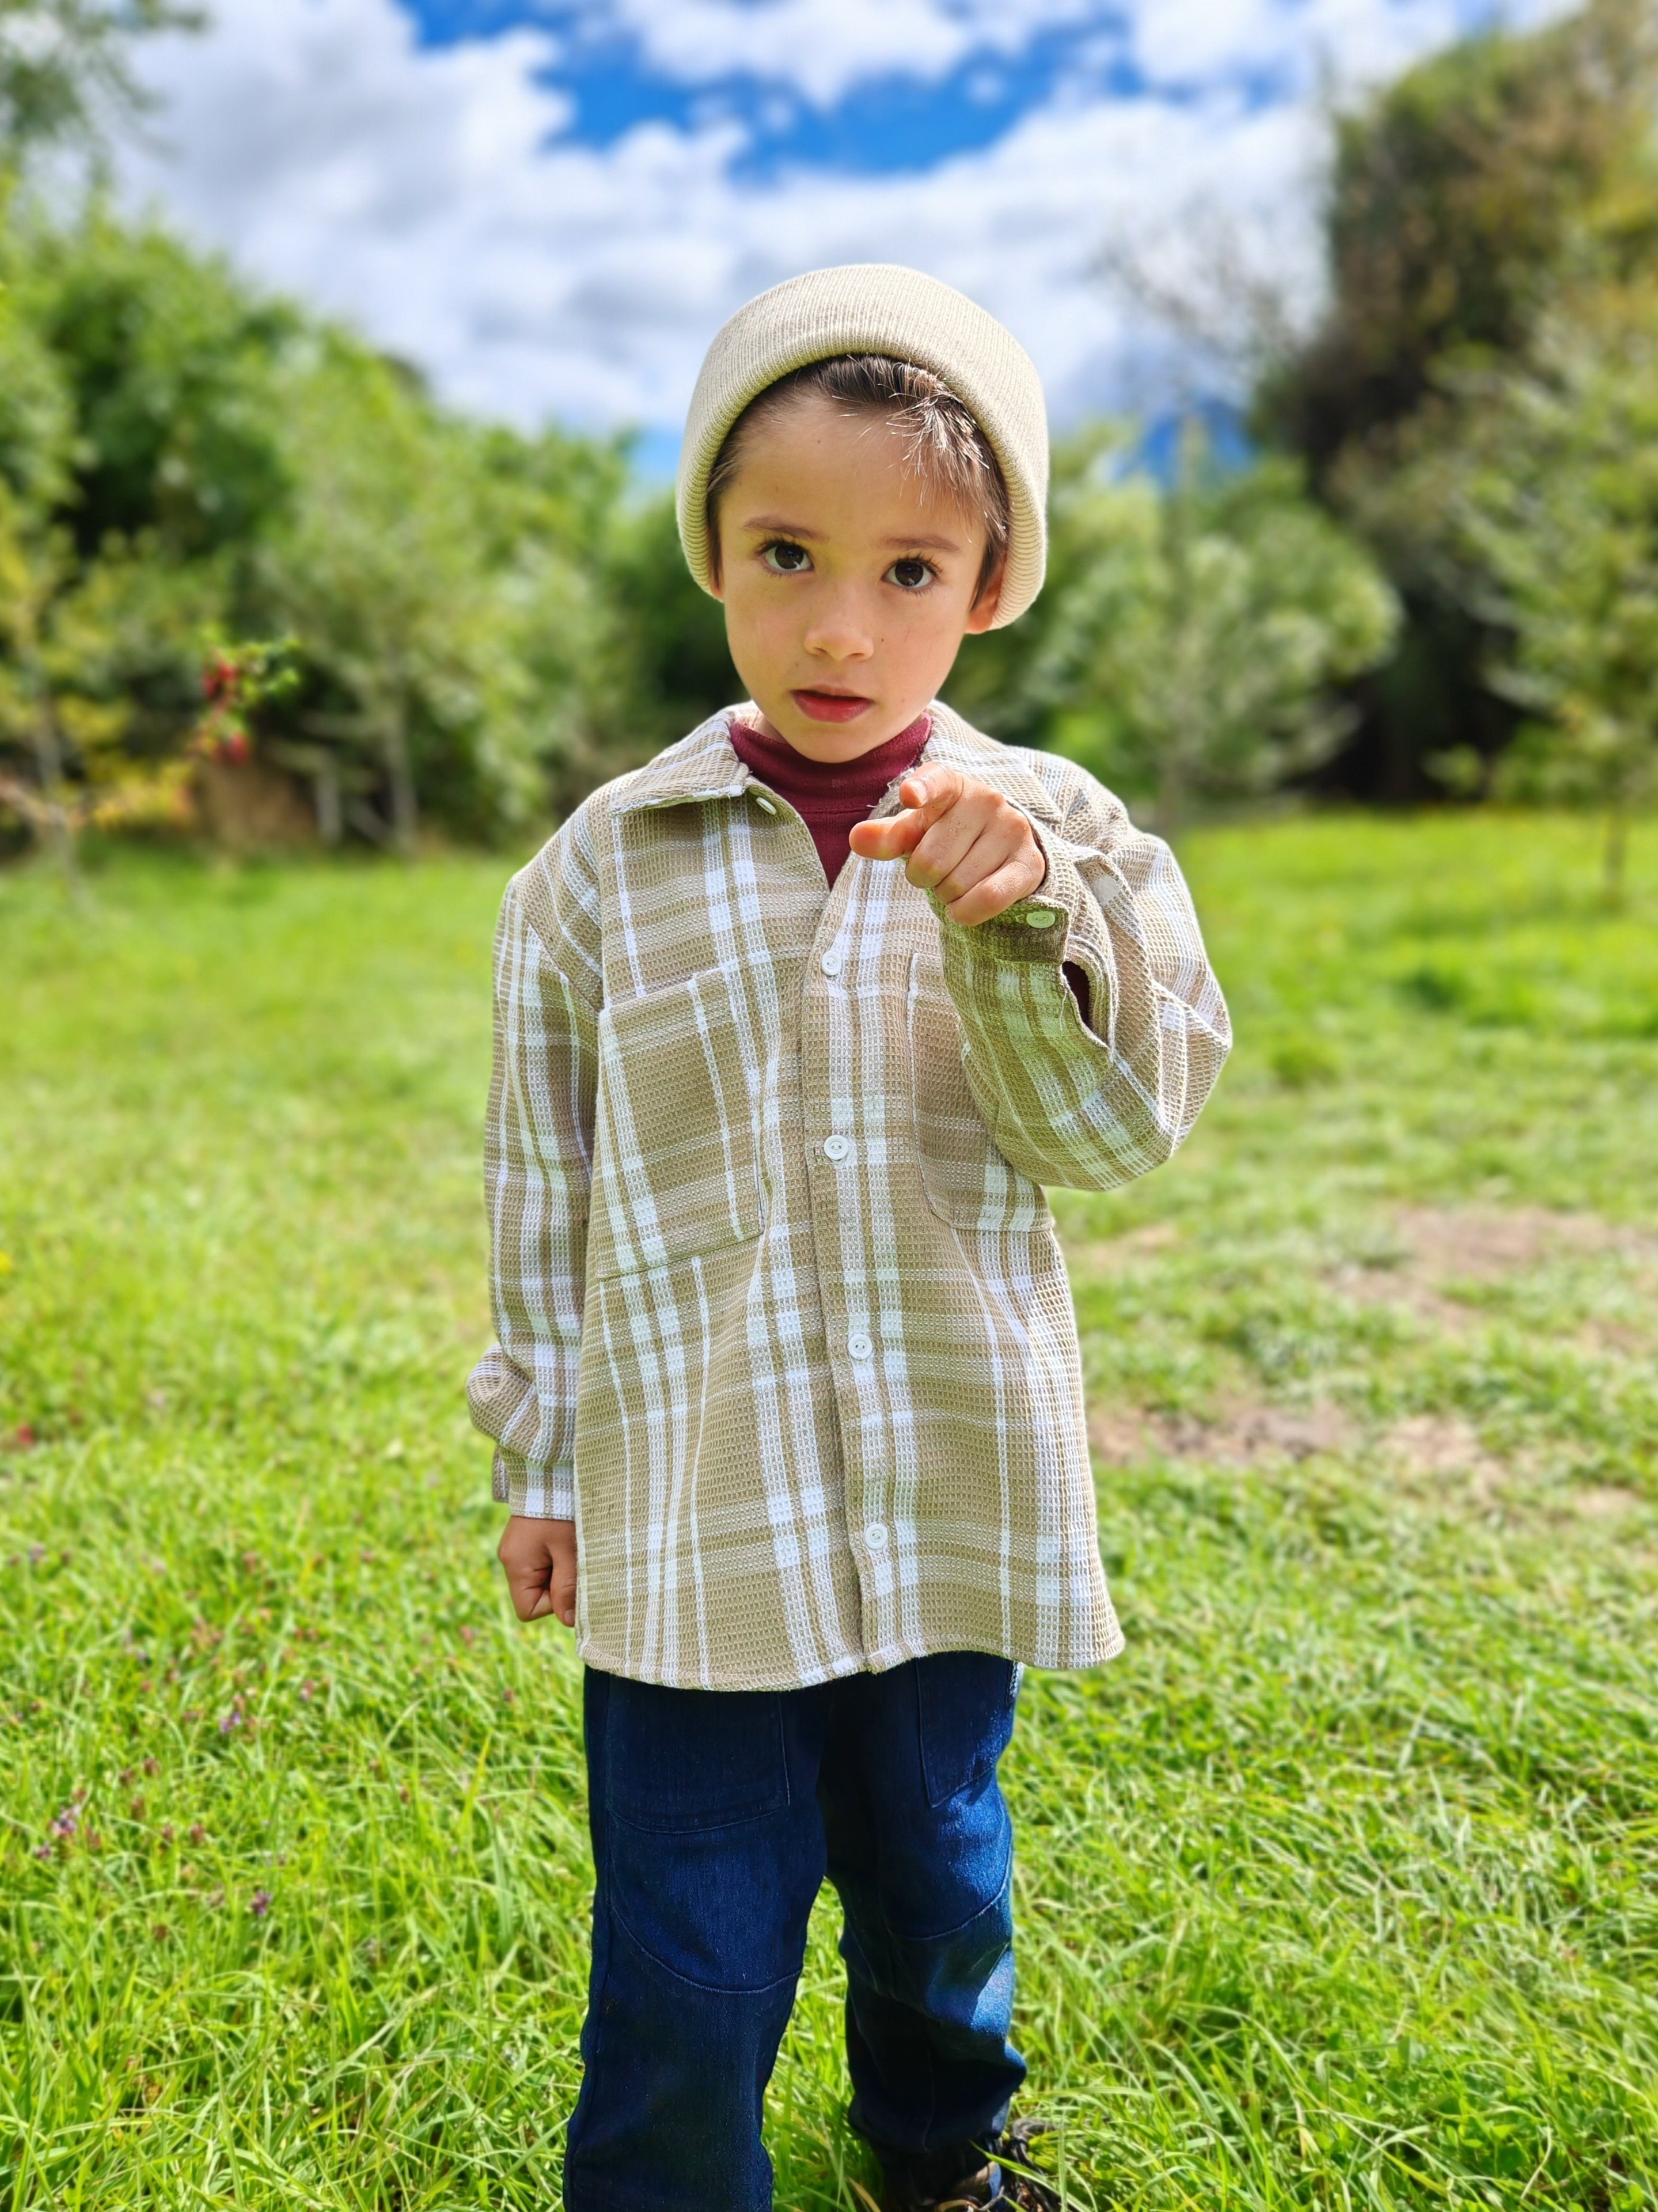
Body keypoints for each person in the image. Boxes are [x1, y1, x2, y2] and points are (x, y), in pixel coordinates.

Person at [467, 264, 1231, 2212]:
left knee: (939, 1878)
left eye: (910, 571)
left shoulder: (1060, 835)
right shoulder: (599, 868)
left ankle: (941, 2154)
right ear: (714, 552)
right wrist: (545, 1463)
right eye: (787, 554)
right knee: (689, 1943)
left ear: (989, 588)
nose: (838, 625)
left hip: (945, 1490)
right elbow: (544, 1180)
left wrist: (1022, 926)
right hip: (694, 1514)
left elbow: (1113, 1134)